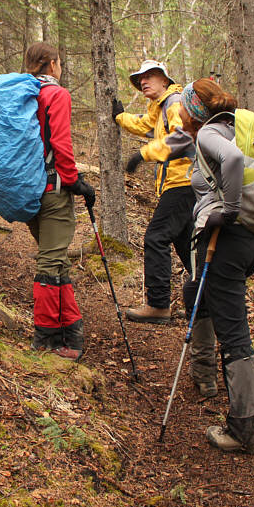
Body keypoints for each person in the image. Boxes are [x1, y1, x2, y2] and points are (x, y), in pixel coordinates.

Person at [178, 78, 254, 454]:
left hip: (225, 241)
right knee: (194, 289)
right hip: (250, 242)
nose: (178, 111)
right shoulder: (240, 131)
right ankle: (204, 374)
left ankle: (247, 429)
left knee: (234, 333)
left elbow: (232, 162)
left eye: (183, 105)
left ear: (193, 110)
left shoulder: (209, 134)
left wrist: (228, 212)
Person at [112, 61, 197, 329]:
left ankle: (159, 305)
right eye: (141, 79)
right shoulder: (159, 108)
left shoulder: (174, 102)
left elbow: (184, 137)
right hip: (181, 184)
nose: (144, 82)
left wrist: (143, 154)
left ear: (164, 80)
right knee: (186, 245)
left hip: (183, 182)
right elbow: (144, 124)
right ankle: (206, 301)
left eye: (150, 76)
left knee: (156, 237)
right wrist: (120, 117)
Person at [25, 42, 95, 361]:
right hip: (52, 189)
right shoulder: (56, 94)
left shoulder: (24, 94)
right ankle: (46, 338)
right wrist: (74, 181)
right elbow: (61, 143)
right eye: (60, 63)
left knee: (57, 261)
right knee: (50, 263)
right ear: (52, 64)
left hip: (26, 189)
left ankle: (72, 333)